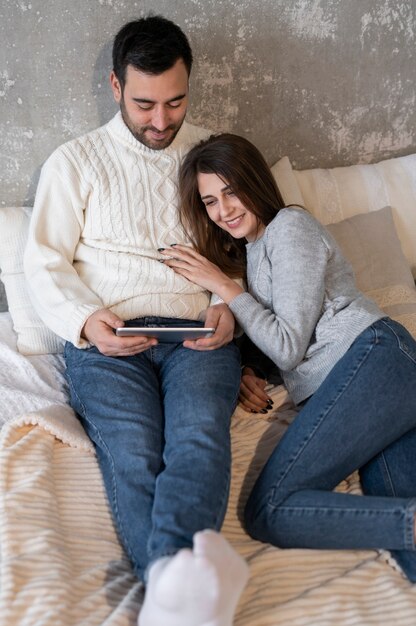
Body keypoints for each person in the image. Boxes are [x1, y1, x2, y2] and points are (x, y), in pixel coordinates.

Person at [24, 18, 249, 626]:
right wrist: (83, 319)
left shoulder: (213, 156)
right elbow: (43, 260)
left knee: (199, 439)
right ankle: (181, 597)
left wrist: (230, 308)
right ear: (116, 86)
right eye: (145, 103)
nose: (160, 120)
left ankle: (170, 601)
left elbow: (250, 247)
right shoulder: (75, 162)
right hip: (108, 338)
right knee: (133, 452)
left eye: (175, 102)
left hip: (198, 335)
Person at [160, 132, 416, 583]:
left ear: (254, 181)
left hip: (375, 360)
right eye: (210, 201)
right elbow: (281, 334)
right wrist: (250, 368)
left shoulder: (290, 228)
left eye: (232, 191)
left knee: (271, 508)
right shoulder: (256, 252)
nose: (224, 210)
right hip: (371, 380)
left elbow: (290, 345)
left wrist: (224, 286)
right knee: (404, 532)